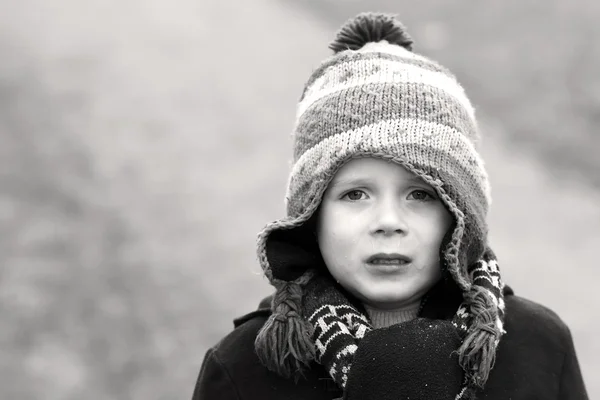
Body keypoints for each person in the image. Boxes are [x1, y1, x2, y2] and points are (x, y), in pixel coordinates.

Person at [192, 12, 588, 400]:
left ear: (460, 215)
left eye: (421, 195)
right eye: (355, 194)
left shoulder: (538, 348)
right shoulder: (247, 369)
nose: (387, 222)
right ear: (311, 215)